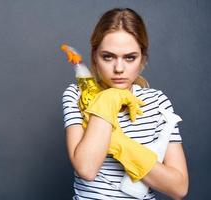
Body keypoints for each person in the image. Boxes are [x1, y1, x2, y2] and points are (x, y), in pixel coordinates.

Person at [62, 8, 188, 200]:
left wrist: (121, 145)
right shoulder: (77, 96)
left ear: (143, 58)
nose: (119, 68)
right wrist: (108, 99)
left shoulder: (157, 102)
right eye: (108, 56)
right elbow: (87, 168)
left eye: (130, 57)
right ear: (95, 57)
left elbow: (179, 188)